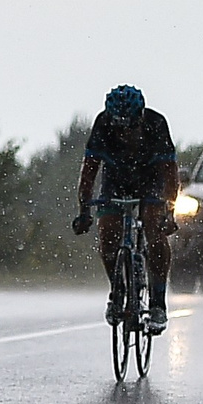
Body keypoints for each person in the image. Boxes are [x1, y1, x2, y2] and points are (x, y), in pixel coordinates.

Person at [72, 84, 179, 330]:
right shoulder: (102, 126)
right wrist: (84, 211)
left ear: (141, 118)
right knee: (107, 232)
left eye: (130, 126)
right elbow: (89, 173)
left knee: (154, 229)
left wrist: (169, 212)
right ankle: (116, 291)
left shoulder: (157, 125)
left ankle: (158, 303)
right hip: (117, 180)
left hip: (151, 180)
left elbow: (171, 176)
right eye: (119, 127)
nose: (124, 134)